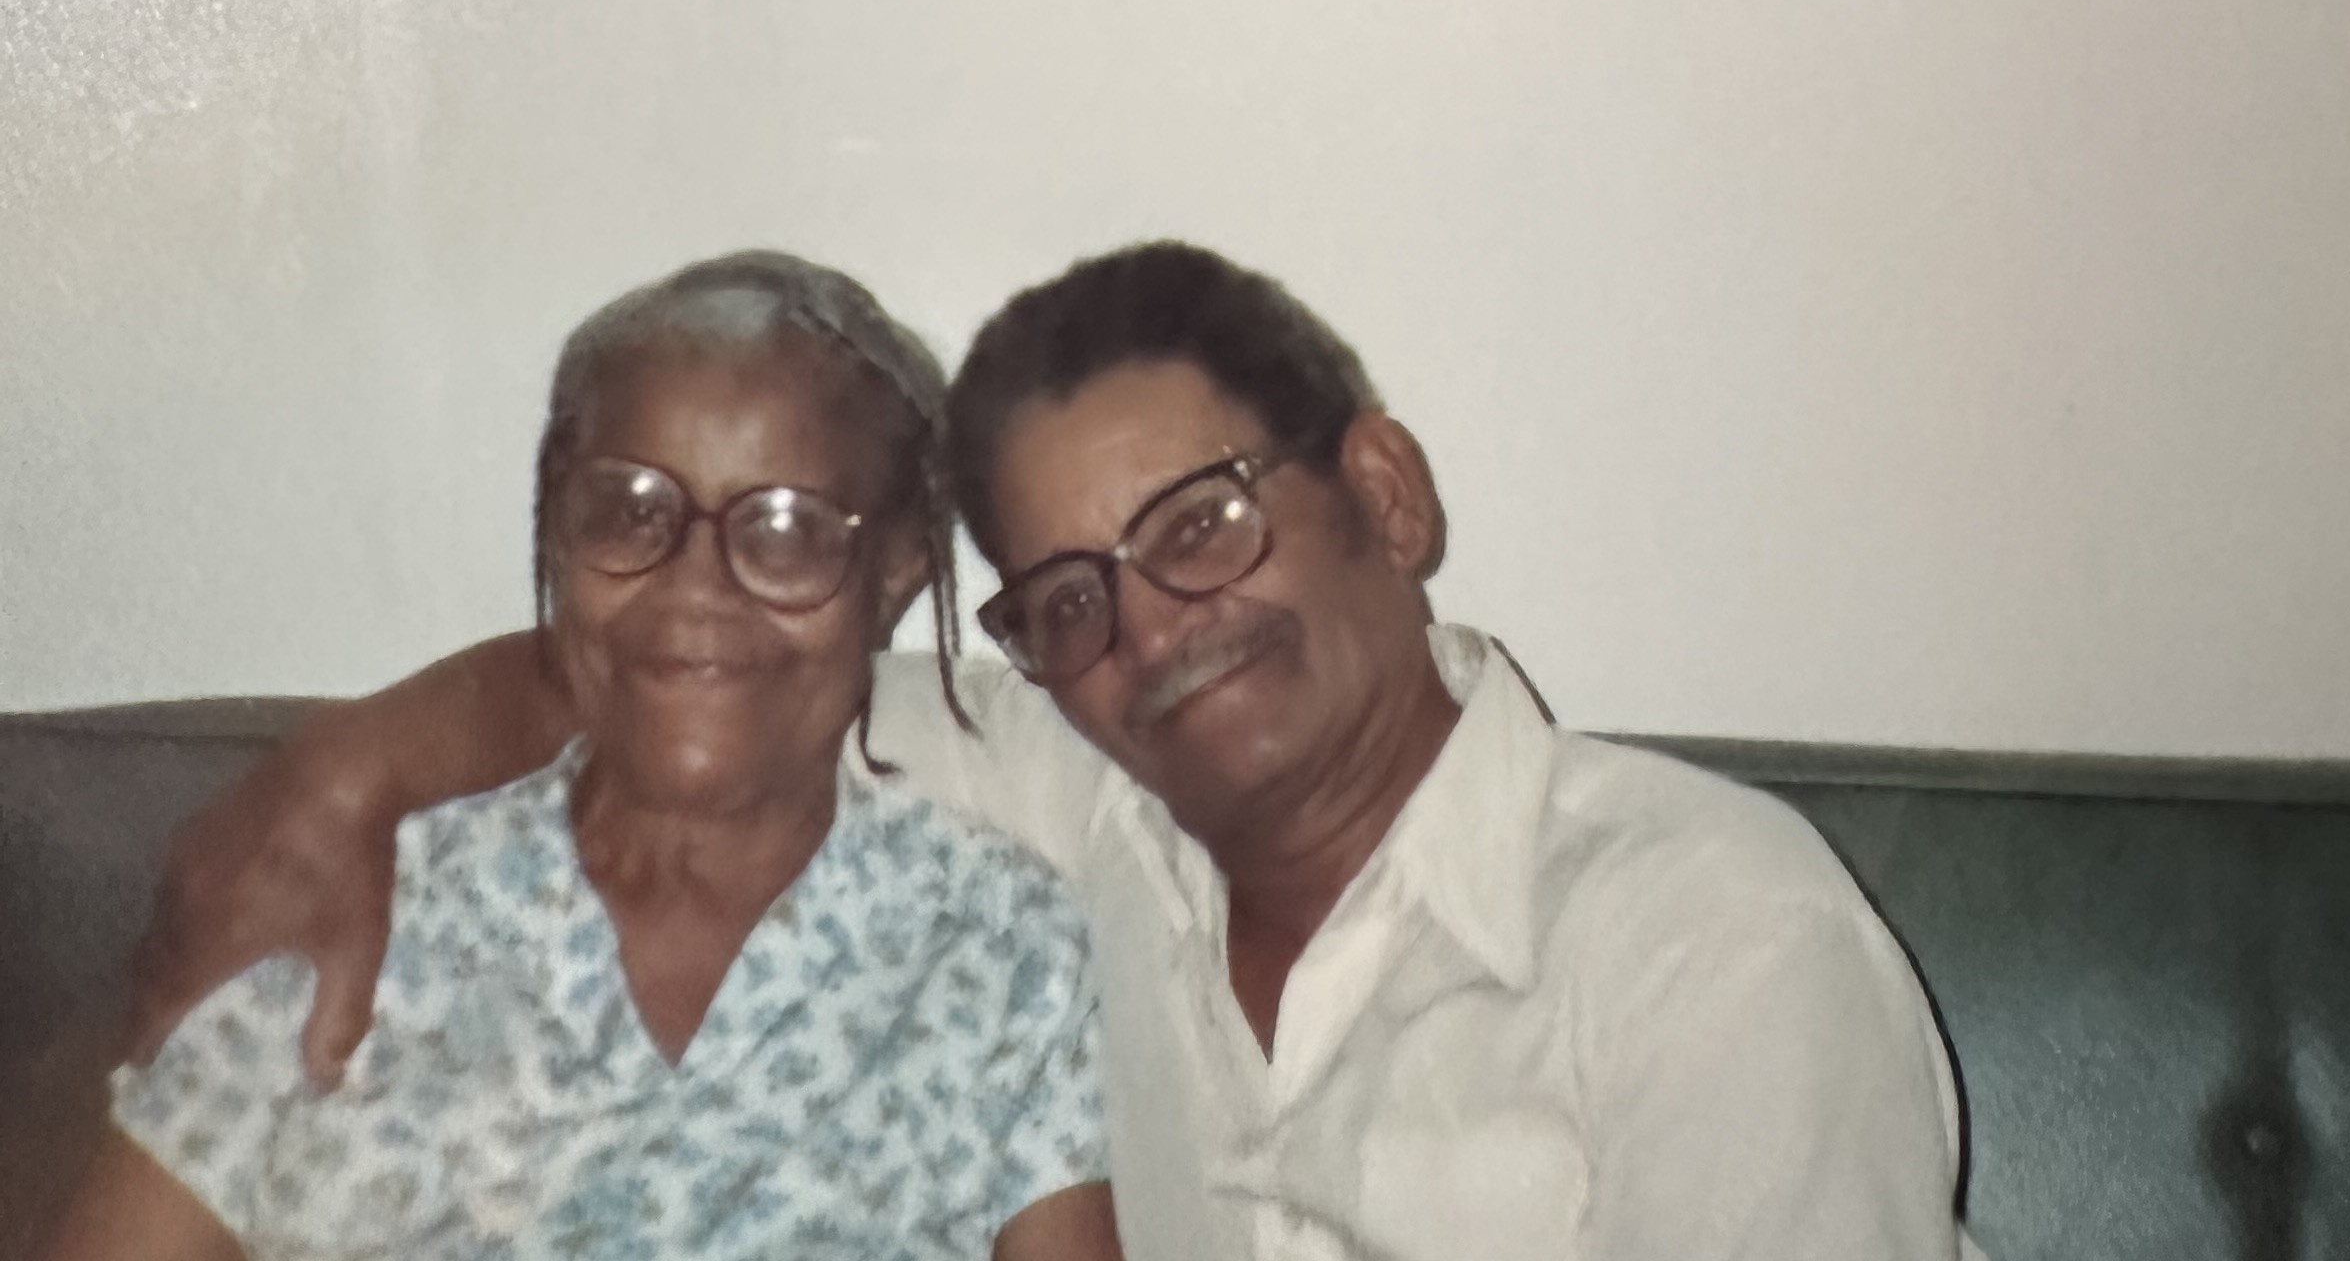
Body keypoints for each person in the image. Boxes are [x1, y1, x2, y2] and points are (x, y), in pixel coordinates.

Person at [128, 243, 1977, 1261]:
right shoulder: (1078, 812)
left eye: (1203, 525)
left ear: (1385, 495)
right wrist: (347, 772)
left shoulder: (1708, 938)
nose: (1154, 631)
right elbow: (708, 662)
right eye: (1072, 598)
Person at [59, 253, 1117, 1261]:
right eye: (629, 512)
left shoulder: (993, 941)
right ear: (561, 535)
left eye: (785, 529)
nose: (694, 585)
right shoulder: (347, 908)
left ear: (895, 569)